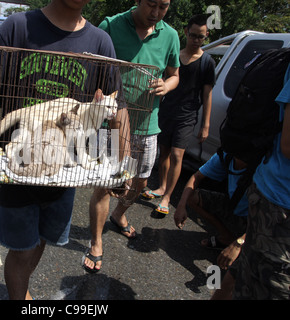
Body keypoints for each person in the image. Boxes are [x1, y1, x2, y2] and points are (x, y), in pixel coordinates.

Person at [0, 0, 124, 299]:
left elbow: (121, 109)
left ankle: (22, 290)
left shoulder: (100, 41)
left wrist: (118, 161)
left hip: (62, 171)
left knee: (41, 239)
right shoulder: (17, 27)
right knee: (22, 248)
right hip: (21, 165)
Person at [84, 0, 180, 273]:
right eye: (152, 5)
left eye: (163, 7)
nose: (156, 13)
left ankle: (119, 214)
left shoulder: (170, 35)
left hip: (148, 124)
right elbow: (91, 69)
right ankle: (96, 242)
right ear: (138, 0)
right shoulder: (111, 25)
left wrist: (167, 85)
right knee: (107, 182)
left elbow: (175, 75)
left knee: (139, 182)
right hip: (111, 124)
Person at [142, 14, 215, 216]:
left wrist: (205, 125)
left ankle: (166, 198)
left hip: (188, 115)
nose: (196, 40)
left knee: (176, 154)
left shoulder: (207, 62)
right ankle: (161, 187)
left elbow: (207, 95)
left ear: (206, 36)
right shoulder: (175, 56)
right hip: (167, 110)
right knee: (163, 152)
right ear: (186, 32)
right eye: (193, 35)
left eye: (201, 37)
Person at [228, 63, 290, 300]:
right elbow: (288, 145)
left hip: (267, 201)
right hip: (278, 205)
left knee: (245, 275)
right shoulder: (222, 159)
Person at [174, 152, 248, 270]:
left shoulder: (263, 165)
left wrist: (238, 244)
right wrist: (181, 206)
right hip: (235, 206)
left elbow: (268, 219)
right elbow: (196, 176)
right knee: (192, 197)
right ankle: (226, 237)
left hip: (257, 220)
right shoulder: (226, 154)